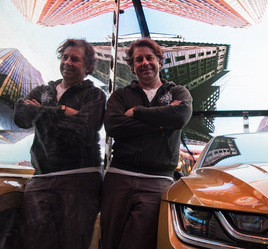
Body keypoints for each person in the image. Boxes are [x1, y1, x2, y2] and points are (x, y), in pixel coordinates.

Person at [13, 38, 106, 249]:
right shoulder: (43, 92)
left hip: (80, 182)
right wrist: (62, 112)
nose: (68, 62)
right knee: (35, 243)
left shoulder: (95, 95)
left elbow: (82, 130)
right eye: (65, 57)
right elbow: (20, 116)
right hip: (41, 180)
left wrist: (39, 112)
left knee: (72, 244)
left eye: (75, 59)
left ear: (88, 66)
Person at [101, 38, 192, 249]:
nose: (145, 63)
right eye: (138, 59)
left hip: (157, 181)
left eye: (149, 57)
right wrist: (162, 123)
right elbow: (113, 126)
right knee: (109, 242)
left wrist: (137, 113)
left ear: (159, 61)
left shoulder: (178, 93)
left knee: (139, 243)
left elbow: (179, 117)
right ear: (132, 67)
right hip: (118, 178)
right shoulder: (121, 95)